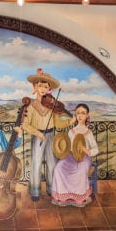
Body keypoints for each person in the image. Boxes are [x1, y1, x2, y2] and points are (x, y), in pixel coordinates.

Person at [21, 68, 71, 201]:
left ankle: (51, 188)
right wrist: (37, 132)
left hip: (51, 135)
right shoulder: (30, 107)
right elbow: (25, 125)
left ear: (49, 89)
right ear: (34, 87)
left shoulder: (51, 106)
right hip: (38, 136)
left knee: (52, 163)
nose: (42, 89)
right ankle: (35, 191)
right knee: (36, 162)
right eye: (40, 86)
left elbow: (58, 124)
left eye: (46, 86)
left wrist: (70, 121)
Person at [52, 103, 99, 207]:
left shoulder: (88, 132)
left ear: (87, 115)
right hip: (70, 156)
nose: (80, 115)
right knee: (58, 168)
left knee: (81, 170)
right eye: (78, 113)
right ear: (75, 115)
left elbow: (96, 149)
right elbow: (68, 146)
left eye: (83, 113)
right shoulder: (71, 131)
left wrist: (87, 151)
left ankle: (79, 198)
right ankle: (63, 197)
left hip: (84, 157)